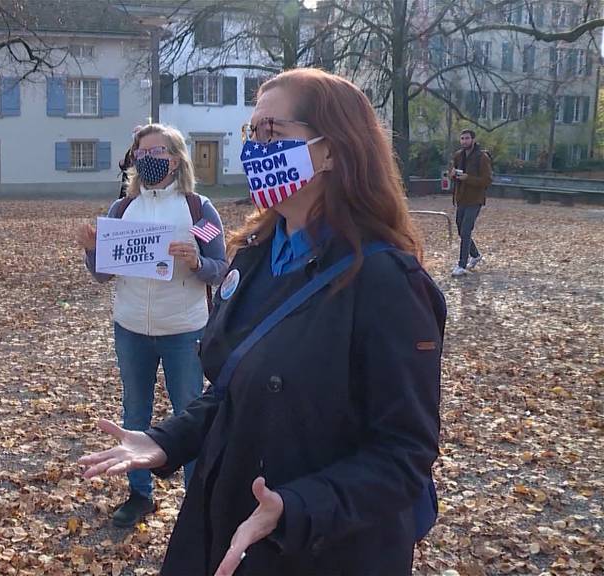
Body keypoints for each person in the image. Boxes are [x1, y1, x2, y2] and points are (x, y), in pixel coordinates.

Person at [80, 69, 446, 575]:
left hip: (321, 546)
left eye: (272, 133)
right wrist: (165, 442)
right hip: (225, 515)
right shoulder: (253, 255)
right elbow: (232, 389)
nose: (255, 149)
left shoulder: (386, 280)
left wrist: (298, 507)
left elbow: (404, 453)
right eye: (251, 133)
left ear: (334, 150)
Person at [75, 123, 228, 528]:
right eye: (141, 152)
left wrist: (197, 263)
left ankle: (196, 502)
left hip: (185, 330)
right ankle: (140, 494)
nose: (147, 159)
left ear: (175, 160)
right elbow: (102, 274)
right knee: (135, 412)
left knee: (189, 414)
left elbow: (222, 269)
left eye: (156, 153)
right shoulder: (121, 210)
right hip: (131, 329)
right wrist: (93, 251)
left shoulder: (199, 209)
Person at [449, 128, 492, 277]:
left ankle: (461, 265)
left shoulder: (482, 157)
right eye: (462, 138)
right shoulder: (458, 156)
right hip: (461, 199)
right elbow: (453, 174)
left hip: (475, 200)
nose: (464, 141)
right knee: (462, 231)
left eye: (467, 138)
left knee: (466, 230)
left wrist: (468, 178)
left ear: (473, 140)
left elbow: (487, 180)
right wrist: (453, 175)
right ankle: (476, 255)